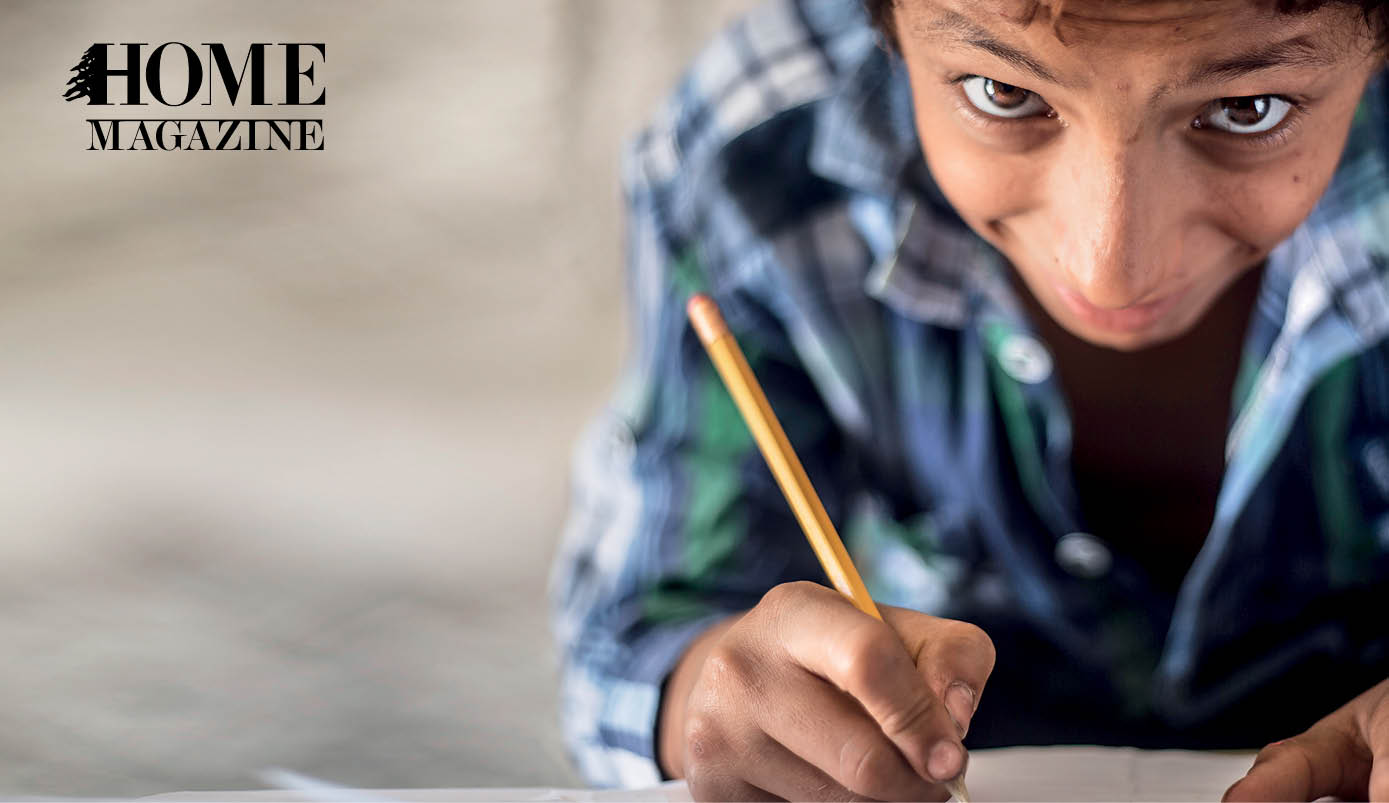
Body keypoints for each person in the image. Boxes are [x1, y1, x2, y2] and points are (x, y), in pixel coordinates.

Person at [550, 0, 1389, 799]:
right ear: (888, 29)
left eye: (1246, 110)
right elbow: (635, 638)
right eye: (1003, 93)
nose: (1110, 271)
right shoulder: (753, 152)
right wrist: (717, 698)